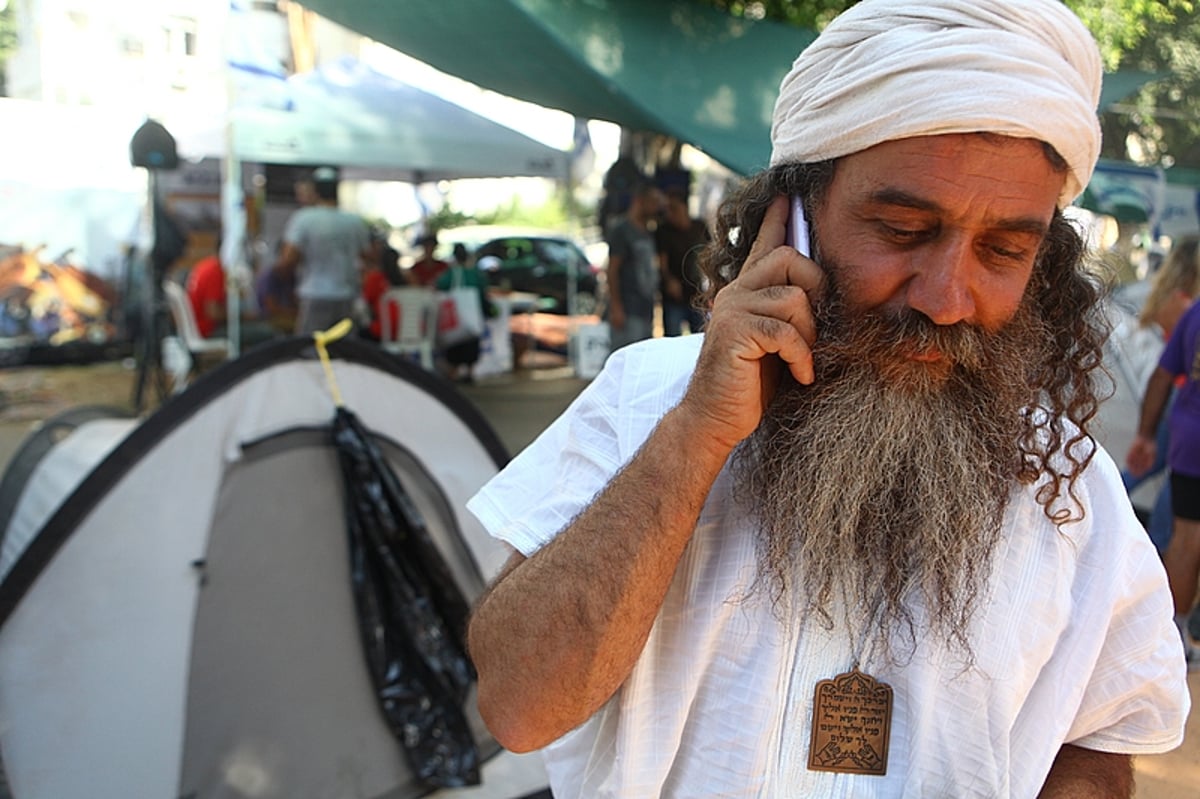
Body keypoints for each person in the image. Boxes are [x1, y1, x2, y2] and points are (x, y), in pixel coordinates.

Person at [463, 2, 1190, 796]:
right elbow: (518, 707)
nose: (948, 298)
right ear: (793, 221)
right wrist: (696, 437)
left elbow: (1097, 740)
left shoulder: (1070, 490)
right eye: (904, 230)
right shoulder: (646, 398)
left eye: (1003, 250)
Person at [1127, 284, 1200, 667]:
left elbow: (1162, 375)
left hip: (1191, 438)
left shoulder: (1196, 311)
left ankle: (1173, 634)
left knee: (1186, 538)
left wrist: (1145, 435)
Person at [1121, 237, 1200, 552]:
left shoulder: (1171, 298)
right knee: (1172, 486)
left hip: (1173, 398)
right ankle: (1153, 547)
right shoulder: (1186, 304)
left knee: (1146, 470)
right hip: (1179, 397)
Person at [271, 166, 371, 335]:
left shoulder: (304, 218)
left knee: (311, 349)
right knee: (343, 350)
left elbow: (288, 259)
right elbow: (367, 256)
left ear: (315, 191)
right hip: (346, 295)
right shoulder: (354, 221)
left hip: (315, 294)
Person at [604, 180, 664, 351]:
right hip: (628, 308)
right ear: (639, 200)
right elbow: (612, 269)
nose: (656, 207)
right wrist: (616, 306)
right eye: (653, 202)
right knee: (626, 357)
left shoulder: (647, 231)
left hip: (645, 307)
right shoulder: (621, 230)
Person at [185, 247, 277, 350]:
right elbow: (213, 313)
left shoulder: (206, 265)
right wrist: (243, 316)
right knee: (267, 332)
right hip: (207, 330)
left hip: (198, 327)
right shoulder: (215, 270)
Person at [434, 242, 493, 382]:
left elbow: (439, 287)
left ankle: (453, 371)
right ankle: (470, 371)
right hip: (472, 317)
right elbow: (483, 294)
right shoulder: (475, 274)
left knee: (455, 344)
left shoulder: (450, 274)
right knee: (471, 343)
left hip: (456, 318)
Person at [655, 187, 710, 335]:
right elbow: (661, 261)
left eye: (673, 208)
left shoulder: (699, 227)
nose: (670, 214)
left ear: (684, 207)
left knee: (701, 336)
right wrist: (669, 281)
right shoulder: (664, 231)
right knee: (672, 337)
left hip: (697, 293)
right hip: (674, 296)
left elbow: (710, 253)